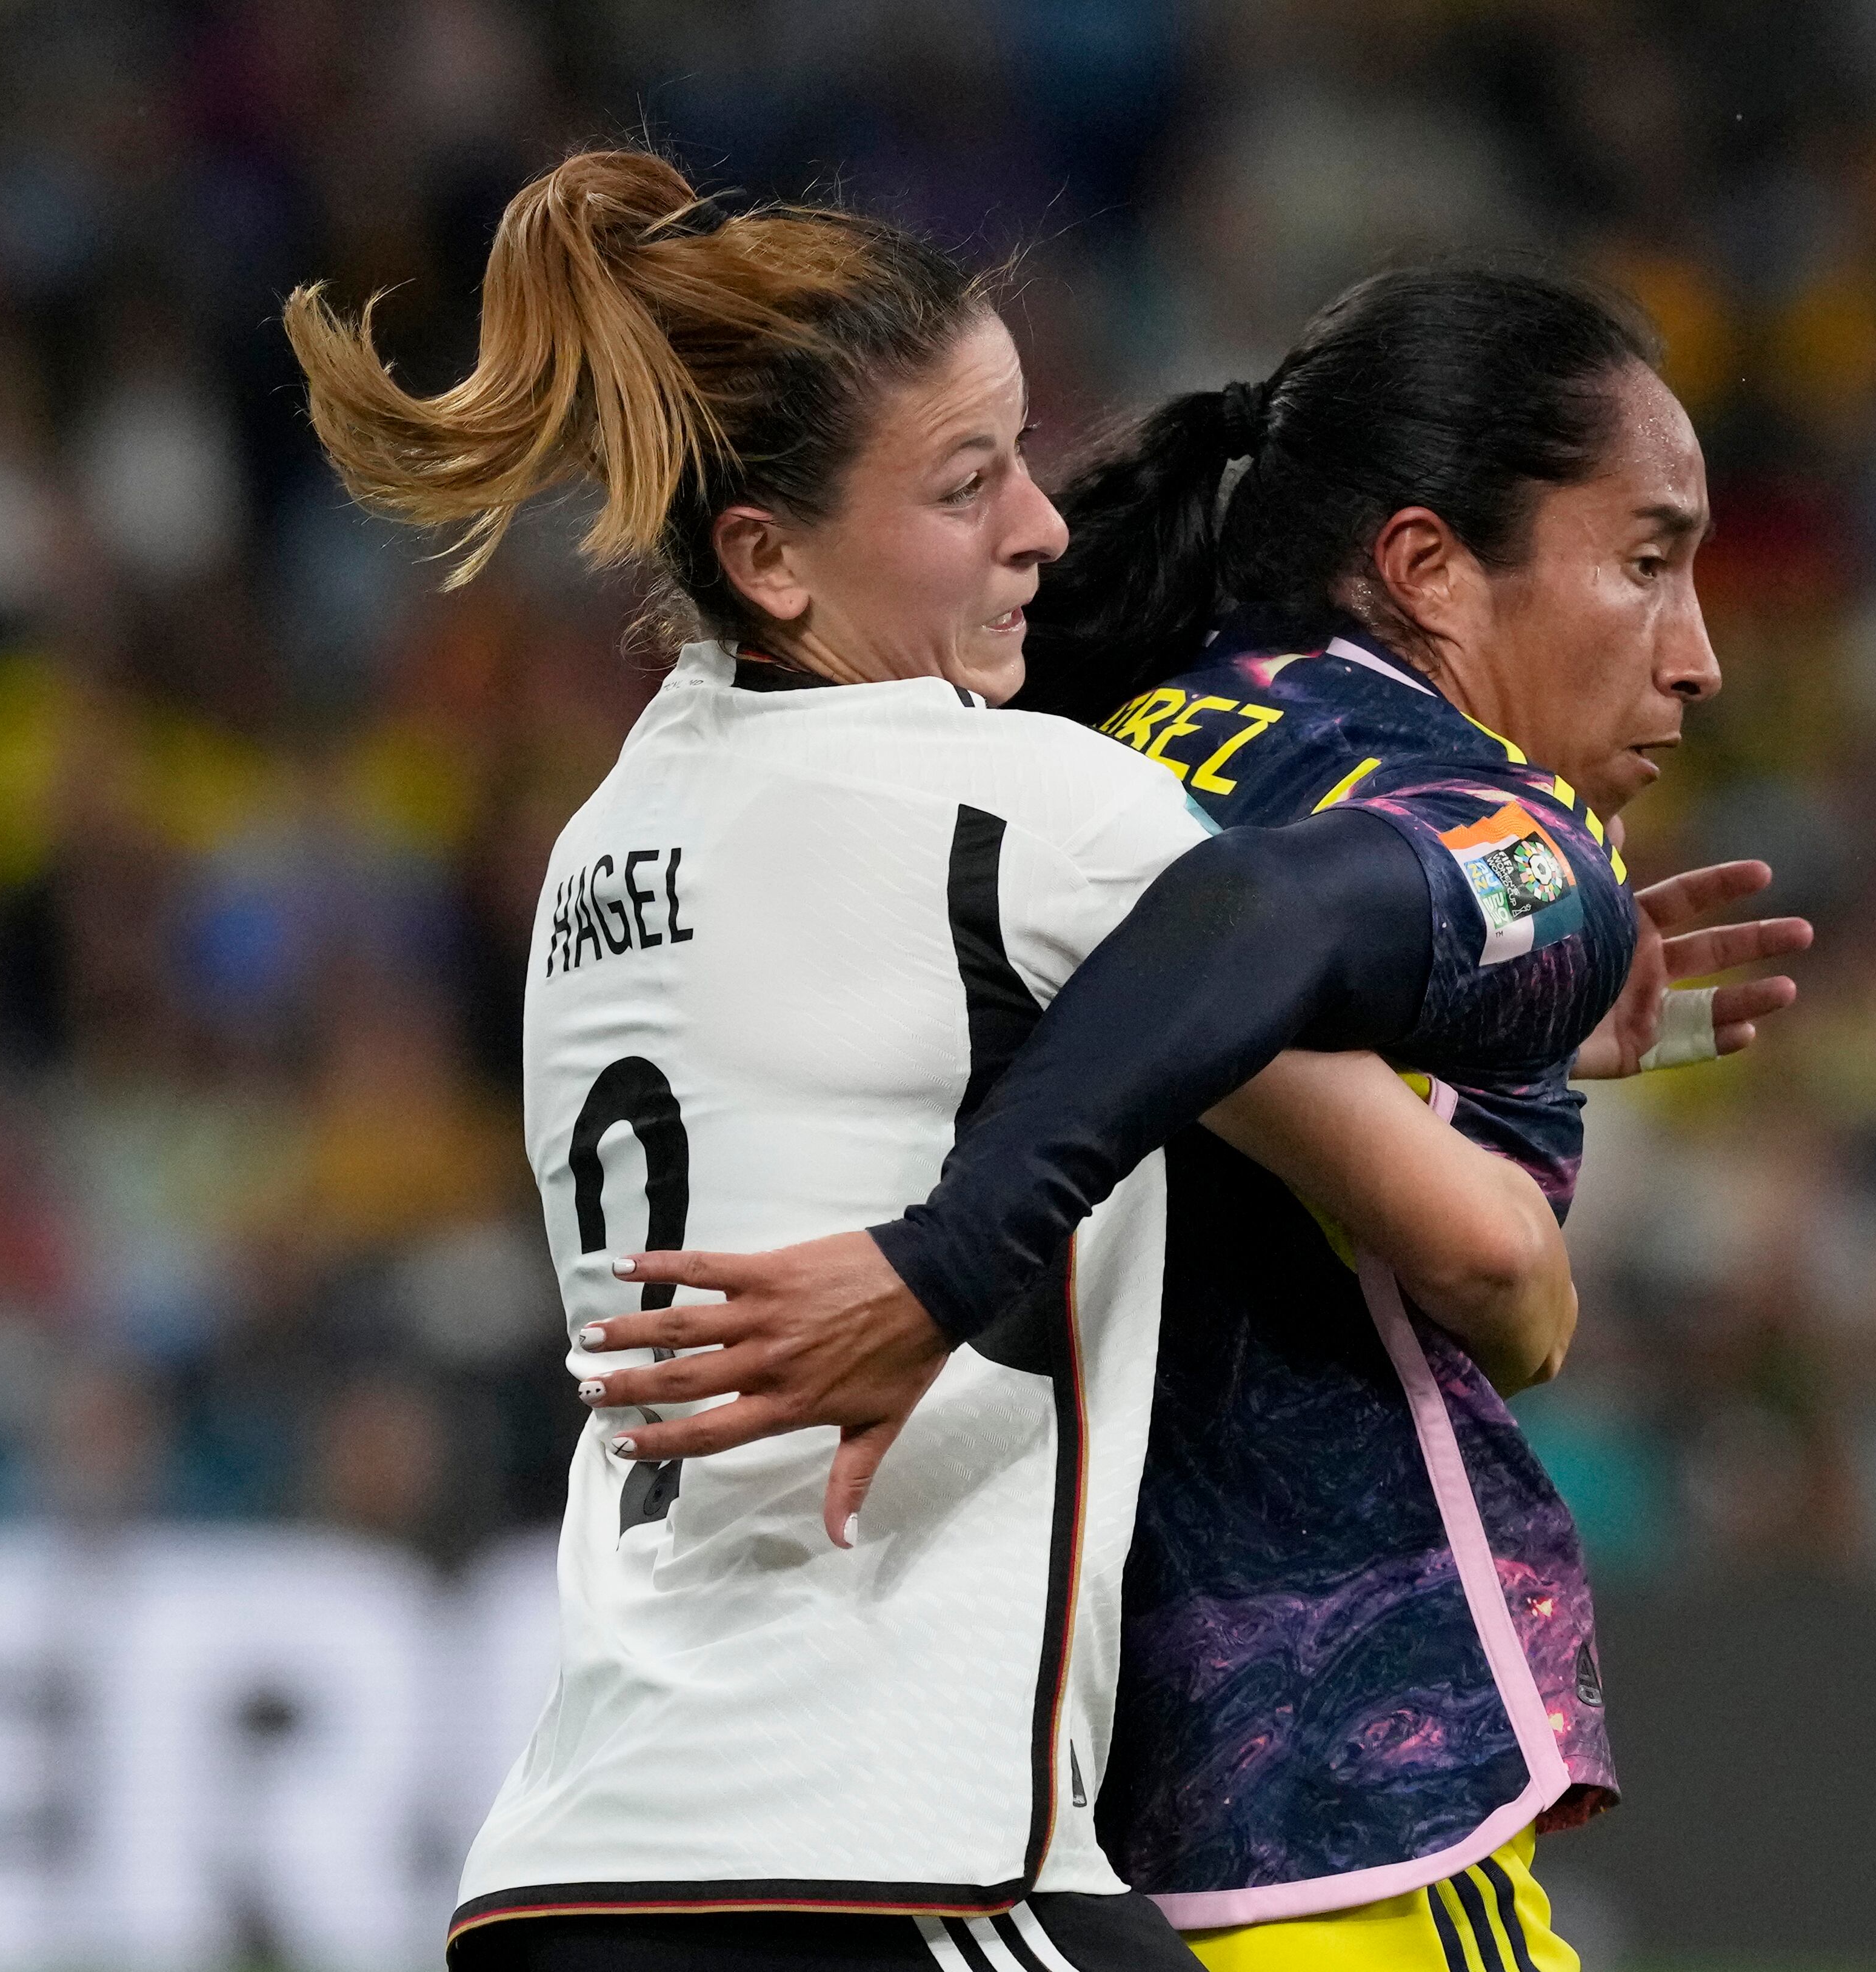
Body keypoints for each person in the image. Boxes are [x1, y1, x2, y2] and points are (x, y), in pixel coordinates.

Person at [289, 149, 1582, 1972]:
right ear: (771, 556)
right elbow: (1485, 1251)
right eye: (968, 486)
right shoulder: (1027, 808)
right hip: (883, 1866)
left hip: (571, 1864)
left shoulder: (593, 848)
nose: (1044, 526)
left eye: (1026, 458)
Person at [590, 264, 1811, 1972]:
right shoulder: (1491, 814)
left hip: (1058, 1783)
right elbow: (1464, 1226)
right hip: (1343, 1785)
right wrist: (950, 1262)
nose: (1697, 656)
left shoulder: (1116, 739)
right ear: (1429, 566)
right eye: (1646, 560)